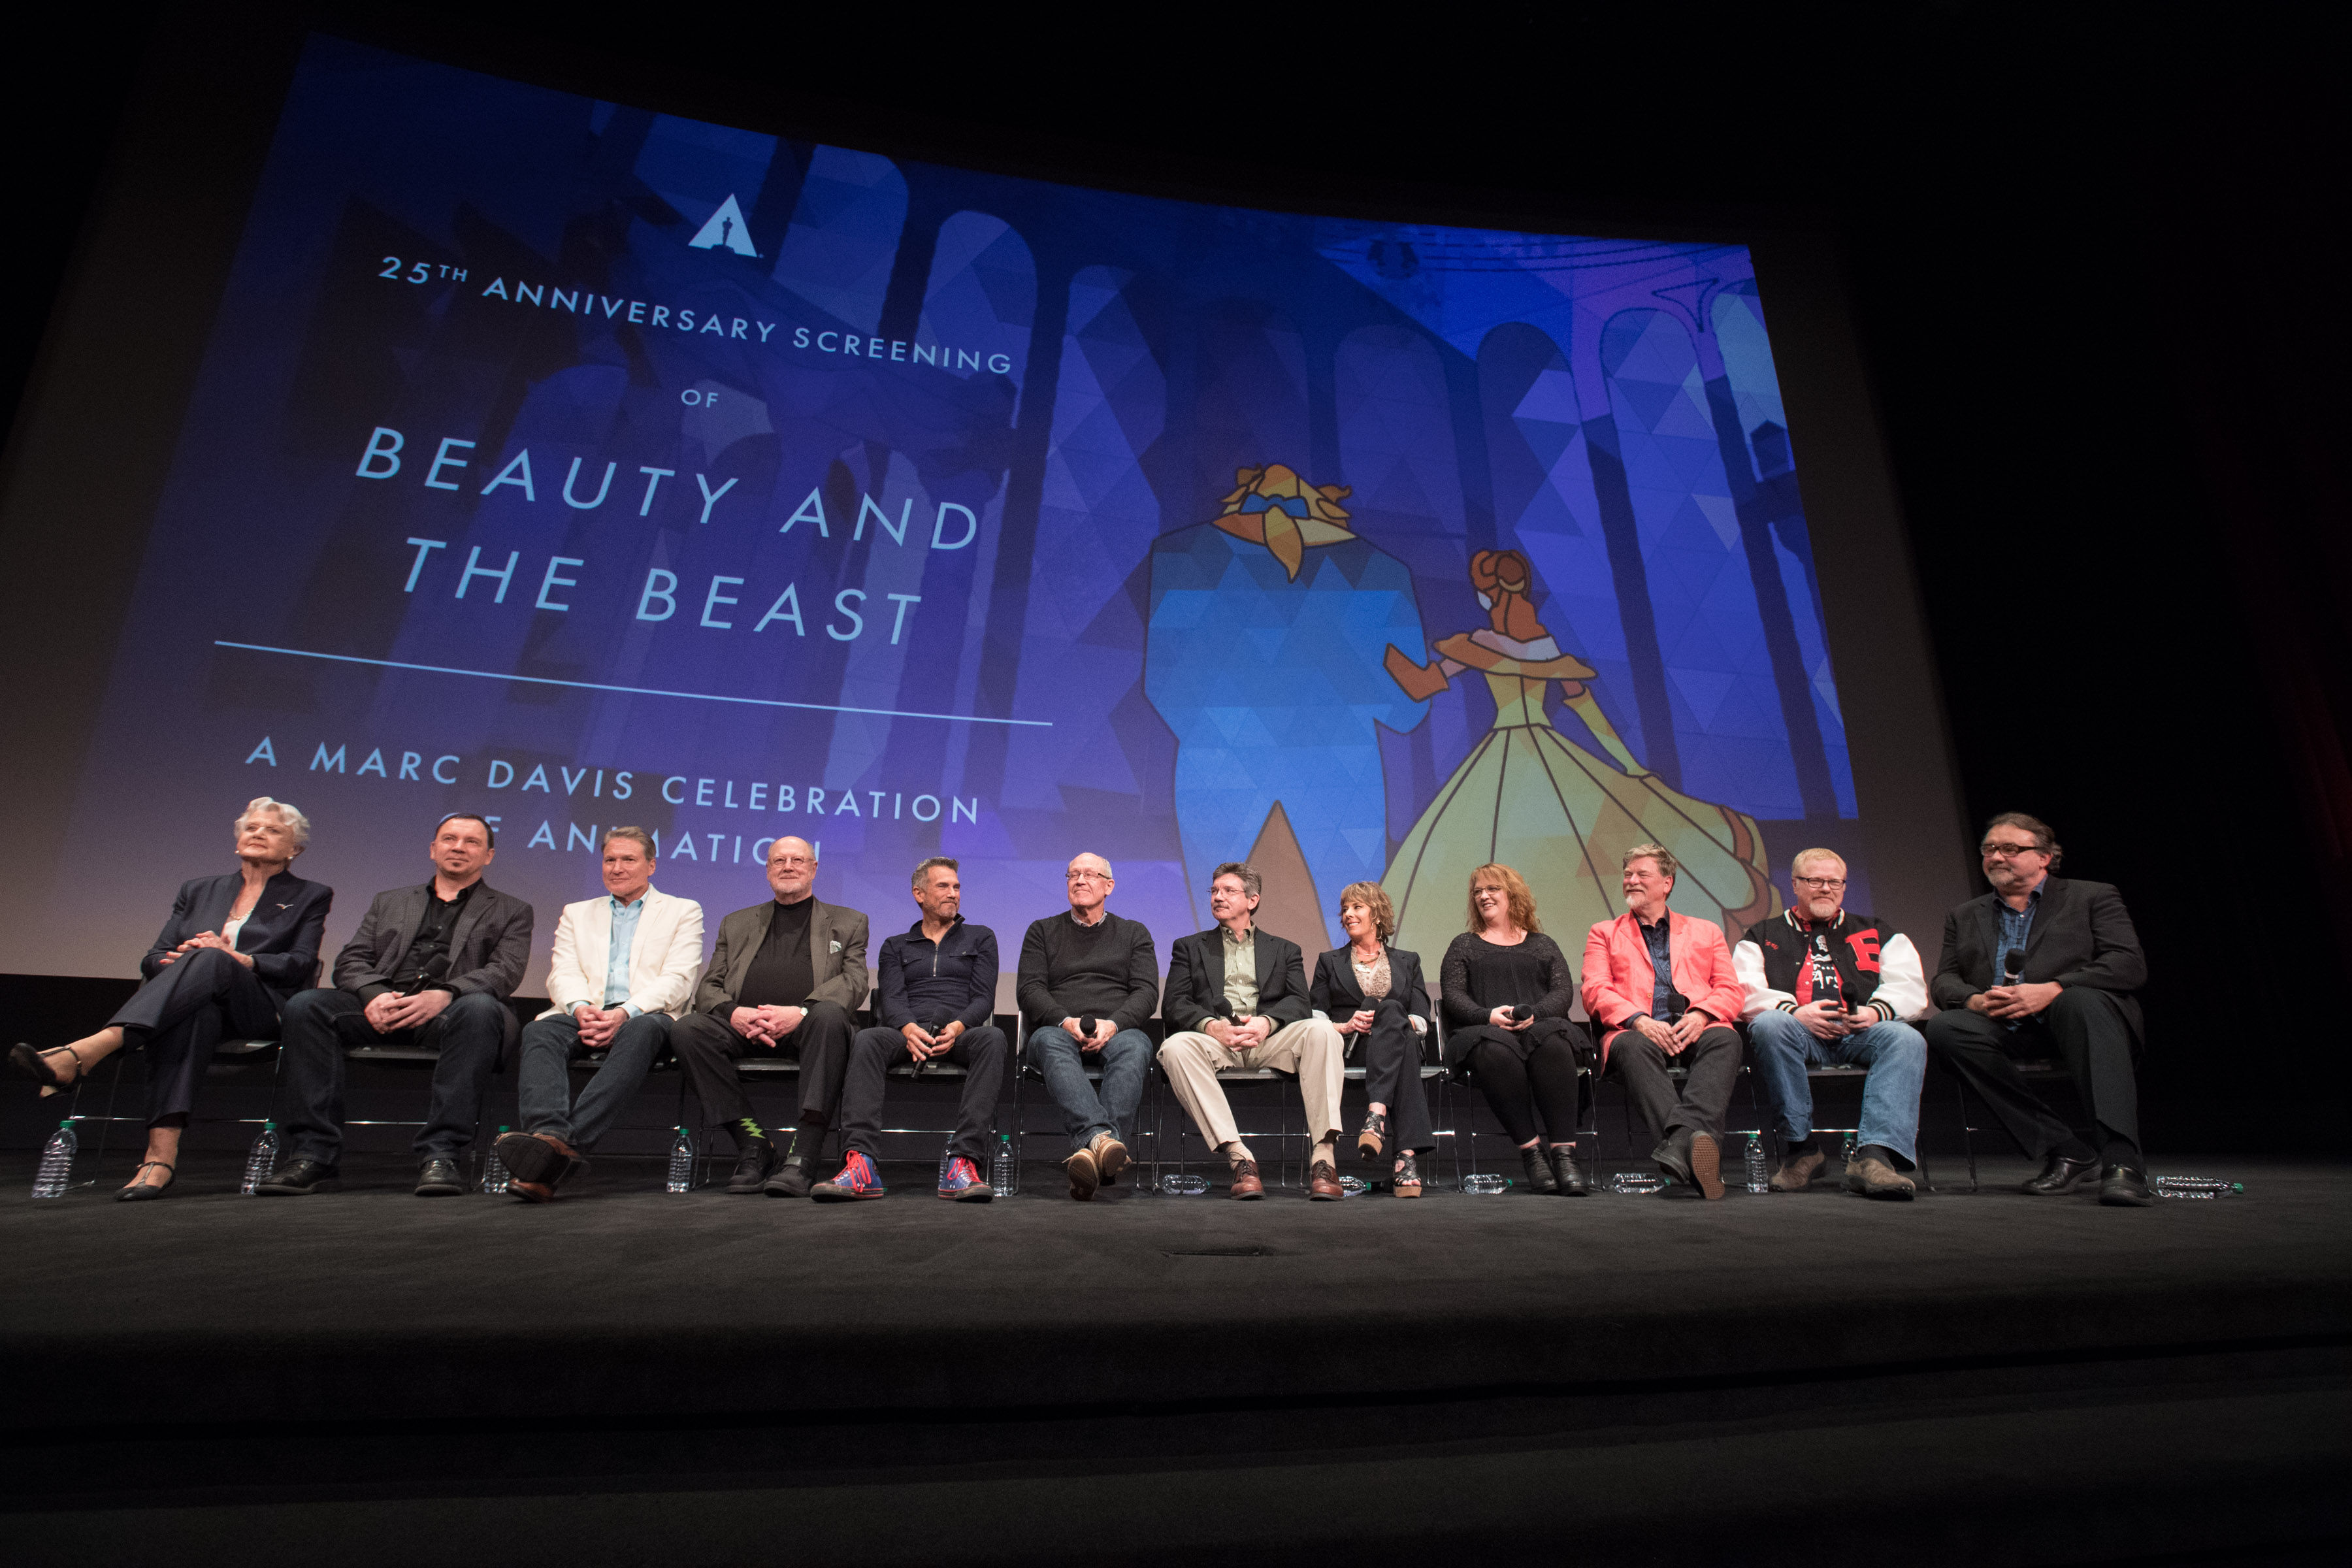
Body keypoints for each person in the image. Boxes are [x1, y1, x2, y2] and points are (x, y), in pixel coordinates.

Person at [1379, 547, 1776, 975]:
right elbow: (1586, 708)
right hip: (1545, 751)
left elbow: (1420, 685)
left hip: (1512, 755)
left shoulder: (1482, 644)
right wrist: (1629, 765)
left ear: (1489, 593)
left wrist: (1378, 645)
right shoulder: (1545, 647)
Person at [10, 797, 331, 1200]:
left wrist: (237, 959)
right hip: (197, 1003)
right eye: (251, 828)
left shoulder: (311, 895)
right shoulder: (197, 890)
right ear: (237, 840)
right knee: (194, 1014)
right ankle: (159, 1161)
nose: (258, 834)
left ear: (294, 849)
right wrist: (180, 960)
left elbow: (300, 964)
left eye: (272, 830)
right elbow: (153, 958)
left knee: (212, 959)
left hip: (260, 1007)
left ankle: (91, 1050)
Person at [258, 813, 532, 1197]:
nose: (458, 847)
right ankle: (313, 1155)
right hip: (384, 1004)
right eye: (450, 839)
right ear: (433, 849)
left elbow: (504, 972)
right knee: (306, 1006)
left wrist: (446, 994)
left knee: (482, 1009)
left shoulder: (511, 909)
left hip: (451, 1012)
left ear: (488, 856)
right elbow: (352, 960)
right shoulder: (391, 901)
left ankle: (441, 1155)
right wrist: (373, 994)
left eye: (472, 842)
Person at [1921, 813, 2152, 1205]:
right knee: (1946, 1027)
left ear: (2045, 857)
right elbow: (1945, 980)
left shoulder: (2092, 896)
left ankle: (2122, 1162)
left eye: (2010, 848)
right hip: (2004, 1024)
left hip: (2078, 1019)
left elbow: (2127, 964)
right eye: (1990, 849)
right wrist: (1975, 1000)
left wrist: (2054, 989)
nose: (1996, 856)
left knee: (2081, 1000)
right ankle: (2065, 1148)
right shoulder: (1965, 914)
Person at [493, 828, 705, 1202]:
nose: (617, 868)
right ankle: (550, 1136)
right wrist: (580, 1008)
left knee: (642, 1029)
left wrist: (624, 1012)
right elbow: (563, 972)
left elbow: (679, 979)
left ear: (651, 865)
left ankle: (551, 1154)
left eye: (628, 860)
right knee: (539, 1031)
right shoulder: (577, 912)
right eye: (610, 860)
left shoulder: (682, 911)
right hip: (585, 1012)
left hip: (646, 1015)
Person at [669, 836, 868, 1198]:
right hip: (745, 1027)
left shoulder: (848, 922)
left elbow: (854, 982)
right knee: (688, 1029)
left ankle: (803, 1154)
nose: (788, 867)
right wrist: (734, 1013)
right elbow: (709, 987)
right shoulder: (736, 922)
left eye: (797, 860)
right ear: (768, 870)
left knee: (829, 1017)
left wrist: (801, 1011)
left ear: (814, 868)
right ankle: (753, 1144)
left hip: (808, 1027)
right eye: (779, 861)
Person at [1733, 848, 1930, 1200]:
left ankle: (1874, 1157)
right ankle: (1802, 1151)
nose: (1826, 888)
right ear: (1795, 884)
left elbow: (1911, 987)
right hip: (1799, 1033)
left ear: (1844, 887)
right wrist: (1796, 1013)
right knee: (1770, 1024)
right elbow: (1744, 990)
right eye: (1815, 881)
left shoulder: (1877, 930)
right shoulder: (1762, 934)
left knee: (1907, 1039)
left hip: (1862, 1032)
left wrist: (1875, 1012)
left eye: (1834, 882)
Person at [813, 857, 1005, 1203]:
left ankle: (962, 1162)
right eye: (943, 886)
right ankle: (861, 1163)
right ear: (919, 894)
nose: (953, 893)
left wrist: (958, 1026)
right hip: (908, 1032)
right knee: (867, 1039)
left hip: (959, 1033)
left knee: (993, 1038)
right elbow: (891, 998)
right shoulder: (895, 945)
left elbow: (983, 998)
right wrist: (908, 1028)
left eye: (957, 887)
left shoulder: (981, 938)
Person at [1158, 862, 1347, 1200]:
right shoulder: (1189, 946)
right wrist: (1211, 1027)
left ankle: (1324, 1160)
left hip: (1269, 1040)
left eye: (1228, 891)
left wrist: (1267, 1023)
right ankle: (1240, 1159)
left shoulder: (1284, 949)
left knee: (1323, 1032)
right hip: (1217, 1041)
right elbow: (1174, 1003)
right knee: (1174, 1047)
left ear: (1252, 900)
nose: (1218, 897)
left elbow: (1300, 1002)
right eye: (1214, 891)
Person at [1581, 843, 1746, 1198]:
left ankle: (1678, 1146)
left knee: (1727, 1039)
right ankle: (1692, 1150)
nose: (1631, 881)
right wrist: (1639, 1020)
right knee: (1632, 1045)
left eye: (1642, 874)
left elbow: (1730, 990)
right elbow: (1595, 990)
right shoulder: (1604, 932)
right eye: (1627, 875)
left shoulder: (1706, 931)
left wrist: (1702, 1014)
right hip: (1637, 1032)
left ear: (1667, 883)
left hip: (1696, 1027)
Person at [1439, 863, 1592, 1196]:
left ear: (1513, 894)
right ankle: (1533, 1153)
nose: (1484, 896)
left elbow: (1562, 992)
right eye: (1478, 892)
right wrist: (1487, 1015)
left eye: (1492, 889)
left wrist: (1536, 1013)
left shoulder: (1542, 944)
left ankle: (1565, 1157)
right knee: (1494, 1049)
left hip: (1540, 1027)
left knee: (1553, 1043)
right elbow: (1453, 996)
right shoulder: (1464, 945)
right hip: (1485, 1030)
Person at [1015, 851, 1159, 1201]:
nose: (1080, 880)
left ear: (1109, 886)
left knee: (1137, 1044)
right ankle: (1103, 1143)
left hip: (1116, 1031)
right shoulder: (1042, 931)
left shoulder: (1134, 933)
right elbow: (1030, 989)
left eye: (1090, 875)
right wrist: (1066, 1021)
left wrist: (1114, 1024)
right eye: (1073, 875)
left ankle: (1092, 1156)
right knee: (1047, 1040)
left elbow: (1146, 992)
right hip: (1058, 1030)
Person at [1309, 881, 1434, 1198]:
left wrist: (1392, 1020)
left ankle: (1376, 1115)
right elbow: (1315, 1016)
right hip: (1352, 1048)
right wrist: (1345, 1025)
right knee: (1402, 1038)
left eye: (1357, 907)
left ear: (1376, 914)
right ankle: (1405, 1159)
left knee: (1394, 1015)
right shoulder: (1329, 961)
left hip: (1396, 1045)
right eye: (1345, 910)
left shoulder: (1408, 960)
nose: (1348, 915)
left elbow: (1422, 1018)